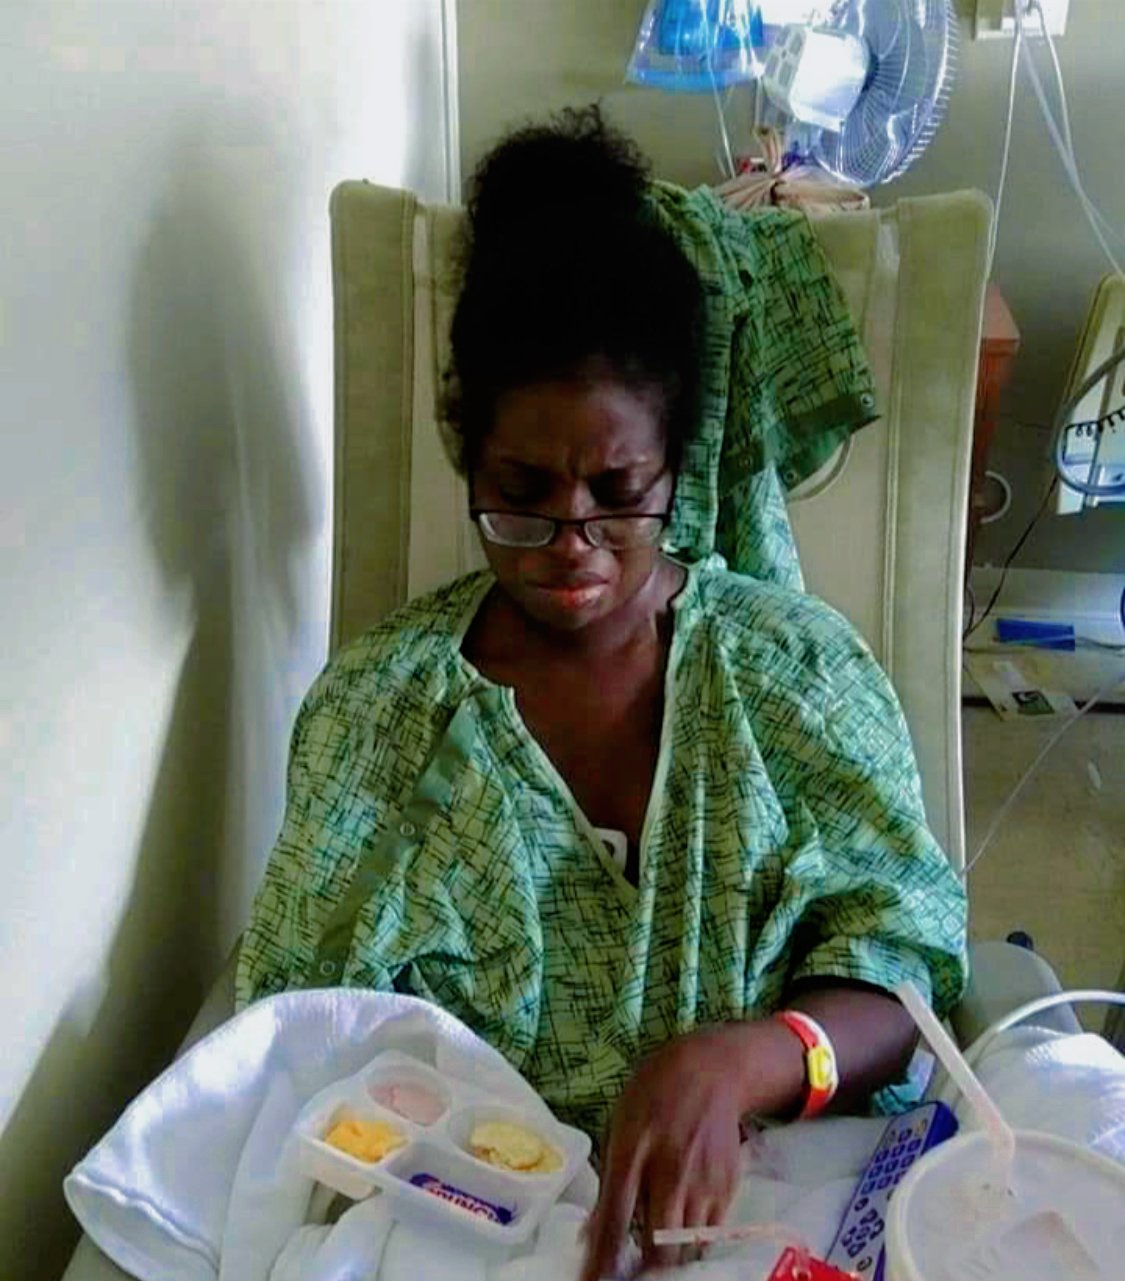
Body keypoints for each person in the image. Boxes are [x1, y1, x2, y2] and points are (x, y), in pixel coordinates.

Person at [237, 109, 967, 1277]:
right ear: (464, 454)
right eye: (520, 491)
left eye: (618, 491)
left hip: (768, 1222)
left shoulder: (796, 675)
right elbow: (288, 1038)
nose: (571, 545)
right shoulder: (379, 715)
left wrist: (749, 1057)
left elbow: (907, 965)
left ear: (680, 459)